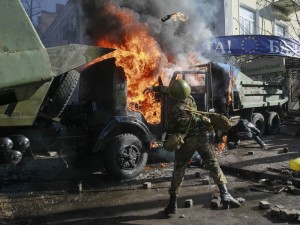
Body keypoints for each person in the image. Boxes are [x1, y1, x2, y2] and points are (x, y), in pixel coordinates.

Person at [144, 79, 241, 215]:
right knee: (213, 164)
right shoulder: (190, 98)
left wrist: (153, 90)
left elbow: (169, 128)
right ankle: (225, 194)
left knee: (179, 171)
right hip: (202, 138)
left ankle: (172, 205)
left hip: (186, 143)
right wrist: (154, 88)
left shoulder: (176, 111)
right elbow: (172, 91)